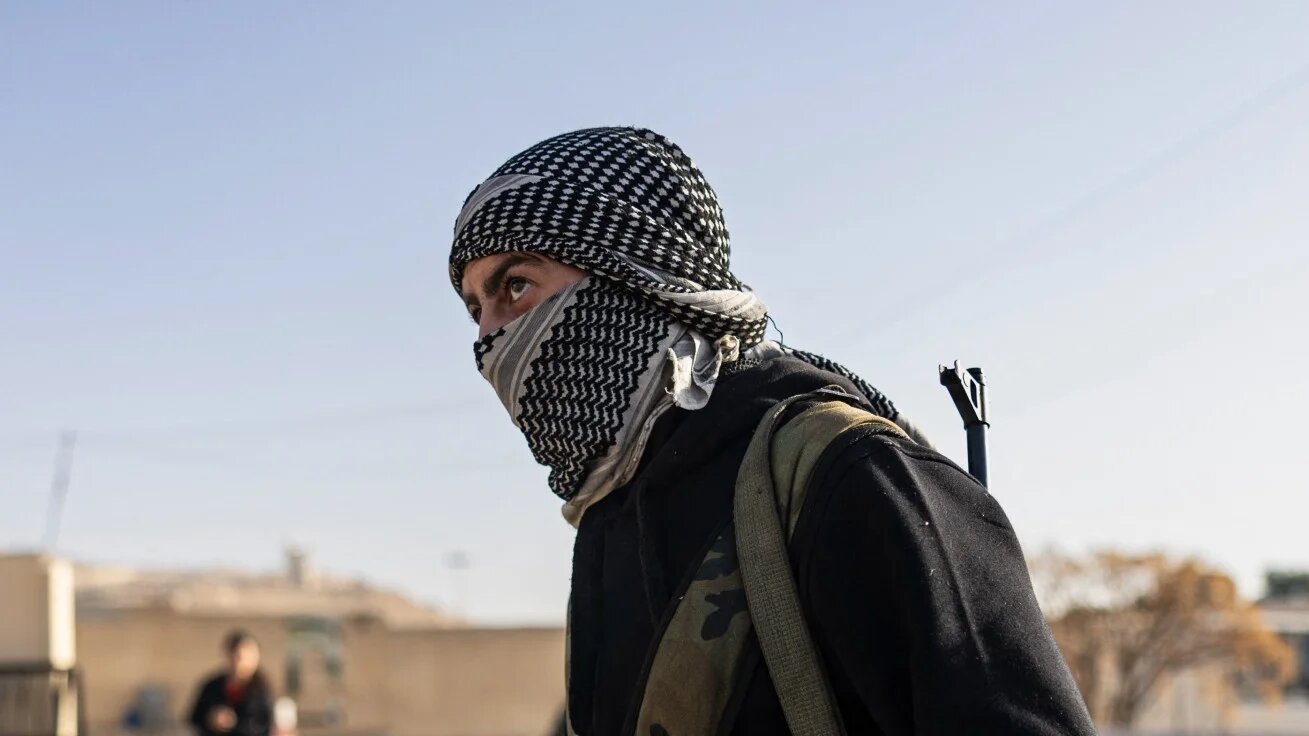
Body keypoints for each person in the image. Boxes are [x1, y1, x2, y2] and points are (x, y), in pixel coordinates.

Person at [451, 127, 1096, 734]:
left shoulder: (848, 473)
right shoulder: (611, 520)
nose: (489, 340)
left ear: (638, 276)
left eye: (517, 285)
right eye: (476, 308)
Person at [187, 630, 273, 736]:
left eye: (251, 656)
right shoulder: (212, 687)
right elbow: (194, 718)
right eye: (240, 656)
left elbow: (263, 726)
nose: (246, 661)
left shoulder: (261, 691)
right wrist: (211, 719)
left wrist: (233, 724)